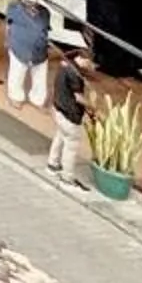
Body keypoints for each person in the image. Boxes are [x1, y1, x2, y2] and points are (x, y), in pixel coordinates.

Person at [44, 42, 91, 186]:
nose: (90, 66)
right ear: (83, 59)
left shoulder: (64, 66)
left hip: (58, 110)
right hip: (70, 115)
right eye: (89, 63)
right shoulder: (75, 74)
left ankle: (52, 164)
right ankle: (67, 177)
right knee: (71, 145)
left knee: (60, 136)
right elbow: (78, 97)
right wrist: (92, 107)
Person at [3, 0, 51, 108]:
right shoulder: (13, 7)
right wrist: (7, 40)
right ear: (22, 1)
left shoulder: (45, 12)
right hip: (19, 46)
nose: (31, 6)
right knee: (17, 73)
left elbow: (46, 29)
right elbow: (8, 25)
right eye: (28, 3)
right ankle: (15, 97)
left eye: (33, 3)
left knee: (40, 76)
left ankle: (38, 100)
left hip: (40, 50)